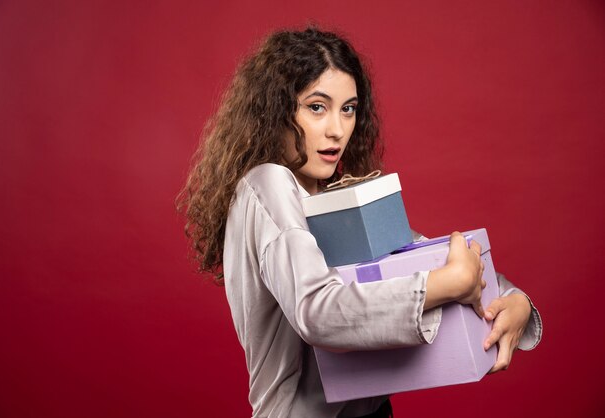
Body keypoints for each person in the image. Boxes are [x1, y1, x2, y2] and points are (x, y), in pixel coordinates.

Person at [177, 27, 542, 418]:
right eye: (317, 107)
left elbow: (421, 256)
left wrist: (514, 301)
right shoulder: (268, 183)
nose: (337, 129)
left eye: (348, 109)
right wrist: (445, 284)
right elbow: (317, 312)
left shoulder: (330, 196)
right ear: (275, 110)